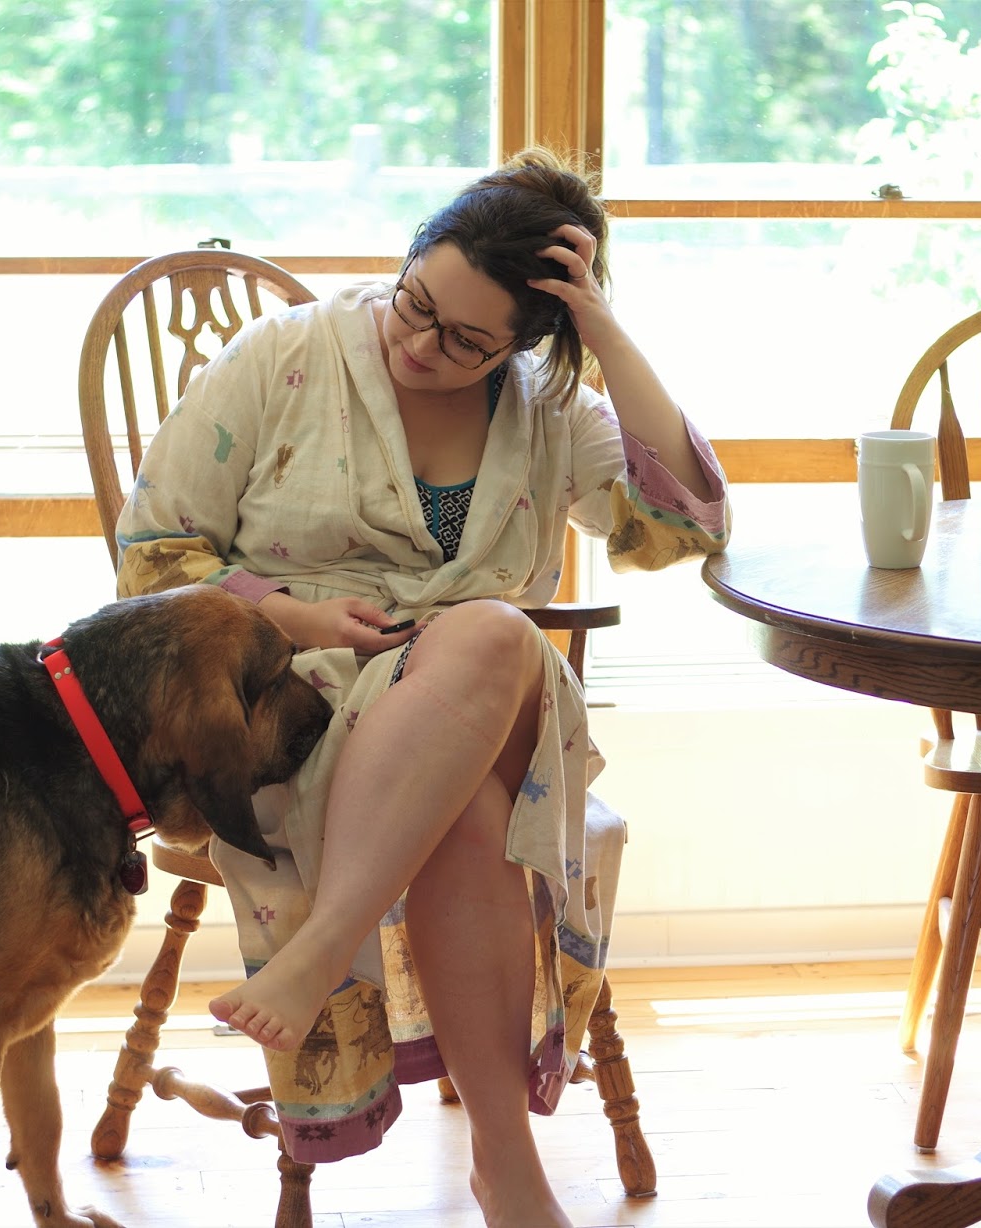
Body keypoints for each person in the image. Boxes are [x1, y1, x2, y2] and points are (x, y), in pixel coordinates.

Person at [113, 148, 730, 1227]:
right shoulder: (286, 356)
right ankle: (509, 1169)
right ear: (406, 262)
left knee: (488, 634)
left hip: (484, 692)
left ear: (528, 344)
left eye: (464, 341)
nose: (419, 343)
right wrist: (300, 617)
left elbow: (677, 527)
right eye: (415, 303)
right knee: (466, 813)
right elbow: (154, 558)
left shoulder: (547, 407)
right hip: (292, 707)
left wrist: (605, 333)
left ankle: (318, 950)